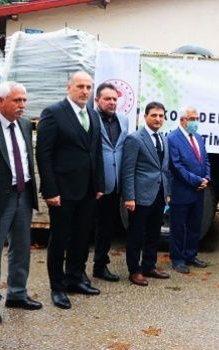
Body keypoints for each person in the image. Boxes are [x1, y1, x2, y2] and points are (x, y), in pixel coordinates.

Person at [36, 71, 105, 310]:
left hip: (87, 190)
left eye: (88, 87)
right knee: (60, 238)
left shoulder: (93, 116)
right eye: (80, 86)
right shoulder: (53, 113)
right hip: (62, 191)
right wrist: (50, 189)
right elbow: (43, 155)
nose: (85, 91)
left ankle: (75, 277)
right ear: (69, 88)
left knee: (82, 236)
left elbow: (95, 152)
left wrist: (99, 184)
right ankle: (58, 287)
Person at [0, 82, 41, 325]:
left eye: (24, 100)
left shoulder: (25, 124)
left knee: (21, 245)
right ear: (1, 101)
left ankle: (17, 293)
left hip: (23, 194)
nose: (22, 105)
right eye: (17, 101)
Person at [121, 102, 171, 286]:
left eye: (161, 116)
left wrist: (168, 193)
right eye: (154, 115)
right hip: (140, 196)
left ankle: (149, 265)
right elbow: (128, 170)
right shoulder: (135, 139)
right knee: (136, 234)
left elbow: (165, 169)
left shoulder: (163, 139)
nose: (158, 119)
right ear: (145, 116)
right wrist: (129, 197)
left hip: (159, 195)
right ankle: (134, 270)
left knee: (153, 233)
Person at [166, 106, 211, 274]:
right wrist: (196, 180)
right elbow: (176, 166)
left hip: (199, 191)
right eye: (192, 119)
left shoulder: (198, 137)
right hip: (182, 190)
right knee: (178, 226)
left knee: (194, 225)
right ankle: (177, 259)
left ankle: (191, 255)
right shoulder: (173, 138)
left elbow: (206, 160)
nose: (195, 122)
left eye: (197, 119)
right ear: (182, 120)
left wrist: (207, 178)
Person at [92, 82, 128, 282]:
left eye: (114, 99)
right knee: (84, 228)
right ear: (97, 100)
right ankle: (76, 269)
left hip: (114, 184)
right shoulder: (90, 119)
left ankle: (100, 266)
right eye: (107, 99)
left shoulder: (123, 120)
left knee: (107, 227)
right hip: (94, 185)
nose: (112, 102)